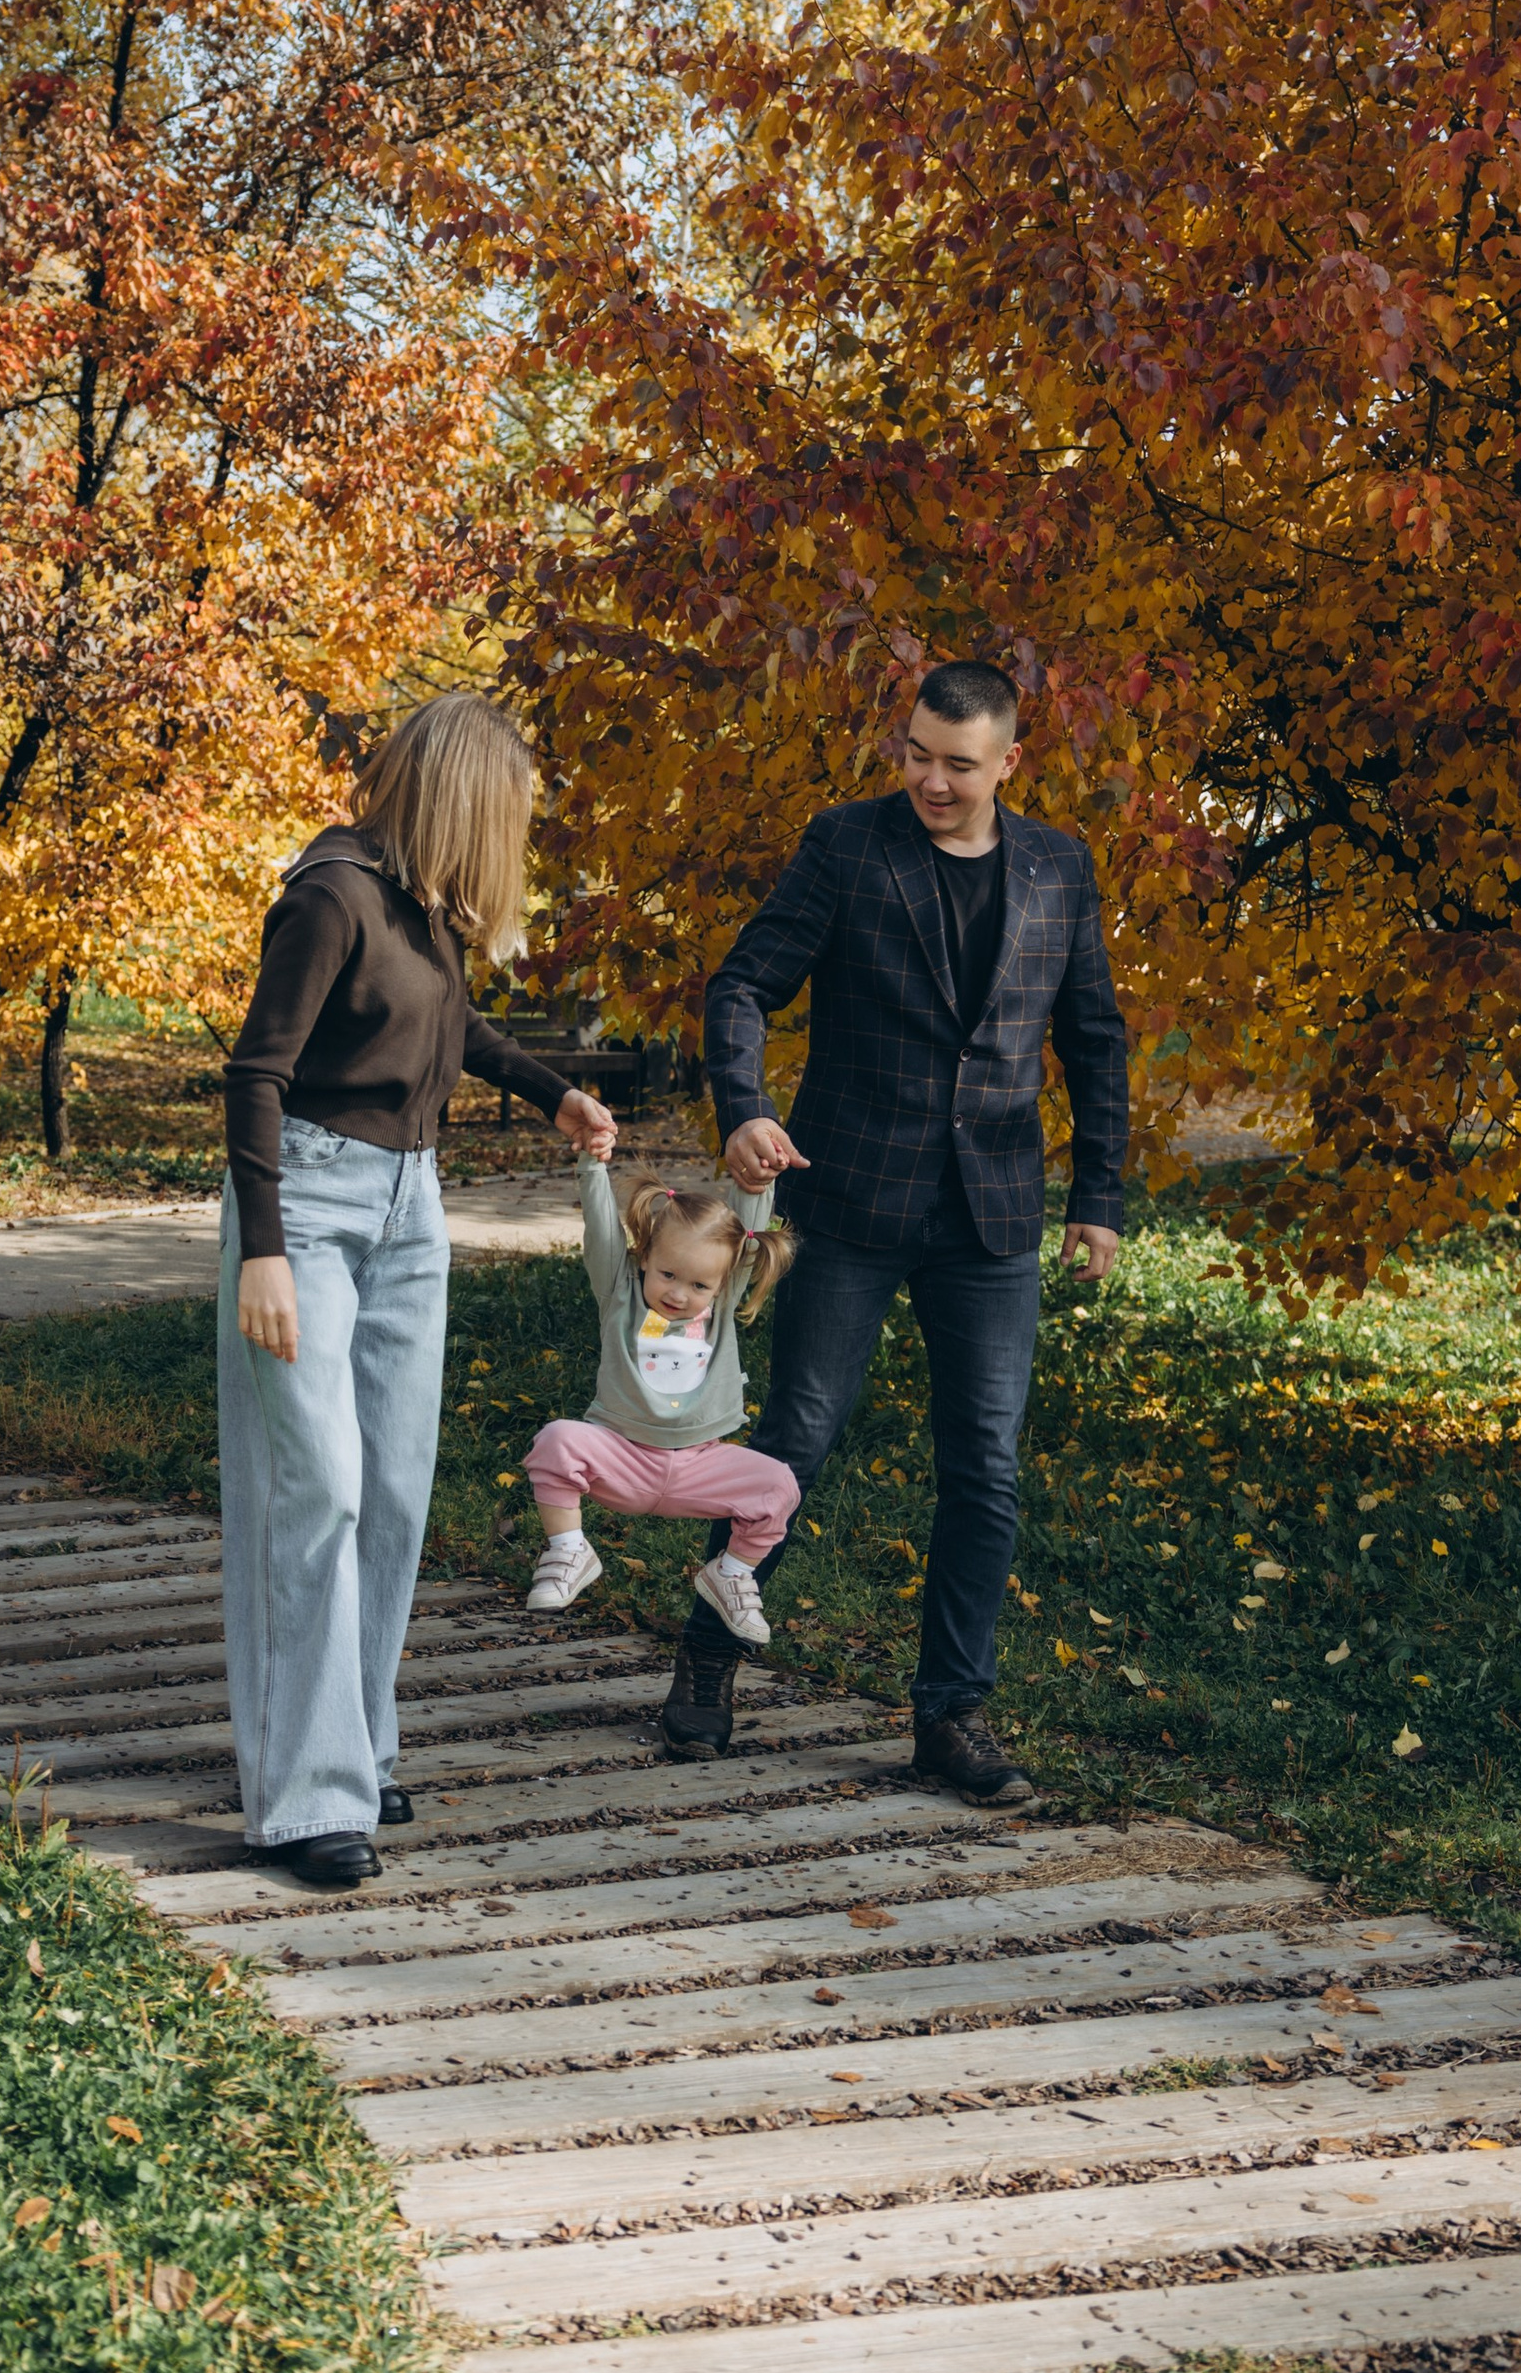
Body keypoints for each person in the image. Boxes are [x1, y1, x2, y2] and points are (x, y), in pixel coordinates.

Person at [679, 658, 1130, 1800]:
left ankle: (950, 1716)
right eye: (918, 754)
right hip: (849, 1199)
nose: (932, 780)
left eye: (958, 765)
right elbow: (743, 985)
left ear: (1009, 762)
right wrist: (746, 1109)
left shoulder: (1060, 868)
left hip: (992, 1216)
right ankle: (708, 1660)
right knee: (795, 1441)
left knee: (984, 1467)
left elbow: (1093, 1038)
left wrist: (1100, 1197)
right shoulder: (848, 844)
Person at [219, 693, 615, 1890]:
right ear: (464, 803)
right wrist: (263, 1250)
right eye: (510, 816)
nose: (515, 841)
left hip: (410, 1205)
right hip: (306, 1203)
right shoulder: (332, 895)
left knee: (392, 1487)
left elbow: (451, 1026)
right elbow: (255, 1075)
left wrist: (552, 1093)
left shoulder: (424, 908)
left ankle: (356, 1744)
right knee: (317, 1490)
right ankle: (304, 1797)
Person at [521, 1169, 797, 1641]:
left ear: (721, 1284)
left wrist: (755, 1180)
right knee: (556, 1440)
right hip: (622, 1455)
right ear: (645, 1256)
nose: (678, 1294)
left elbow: (746, 1234)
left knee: (779, 1484)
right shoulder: (619, 1293)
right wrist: (592, 1165)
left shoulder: (720, 1305)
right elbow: (601, 1230)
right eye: (668, 1274)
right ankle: (569, 1549)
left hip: (700, 1465)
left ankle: (731, 1573)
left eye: (699, 1286)